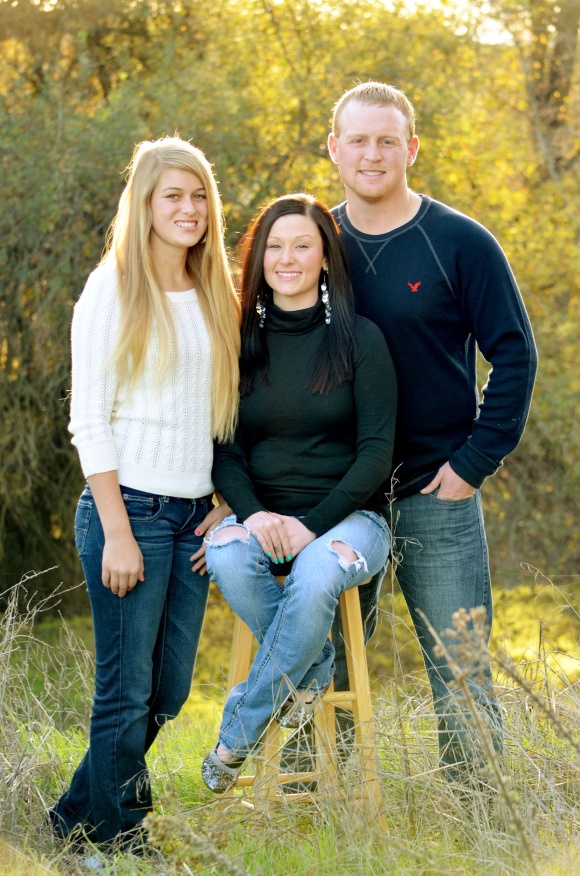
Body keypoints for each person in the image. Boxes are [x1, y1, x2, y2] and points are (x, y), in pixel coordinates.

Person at [327, 82, 538, 783]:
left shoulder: (460, 241)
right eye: (357, 139)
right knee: (321, 660)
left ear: (412, 148)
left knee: (460, 665)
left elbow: (515, 351)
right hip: (335, 497)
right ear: (334, 148)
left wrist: (477, 460)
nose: (373, 153)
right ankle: (316, 801)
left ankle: (480, 815)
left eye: (388, 139)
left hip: (434, 488)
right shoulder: (312, 243)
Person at [48, 137, 241, 848]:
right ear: (146, 204)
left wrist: (224, 501)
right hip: (128, 511)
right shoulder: (113, 288)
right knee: (124, 692)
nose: (189, 210)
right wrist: (118, 532)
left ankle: (75, 814)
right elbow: (87, 420)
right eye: (174, 196)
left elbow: (224, 413)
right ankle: (111, 838)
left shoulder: (217, 288)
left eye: (199, 196)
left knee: (168, 692)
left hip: (193, 518)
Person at [199, 193, 397, 792]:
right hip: (263, 520)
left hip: (351, 520)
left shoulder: (362, 340)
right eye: (275, 246)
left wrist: (311, 525)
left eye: (302, 245)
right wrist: (255, 516)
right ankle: (311, 673)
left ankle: (237, 734)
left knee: (314, 574)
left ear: (324, 255)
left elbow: (376, 455)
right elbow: (224, 451)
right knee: (225, 554)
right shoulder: (237, 344)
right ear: (259, 257)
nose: (288, 258)